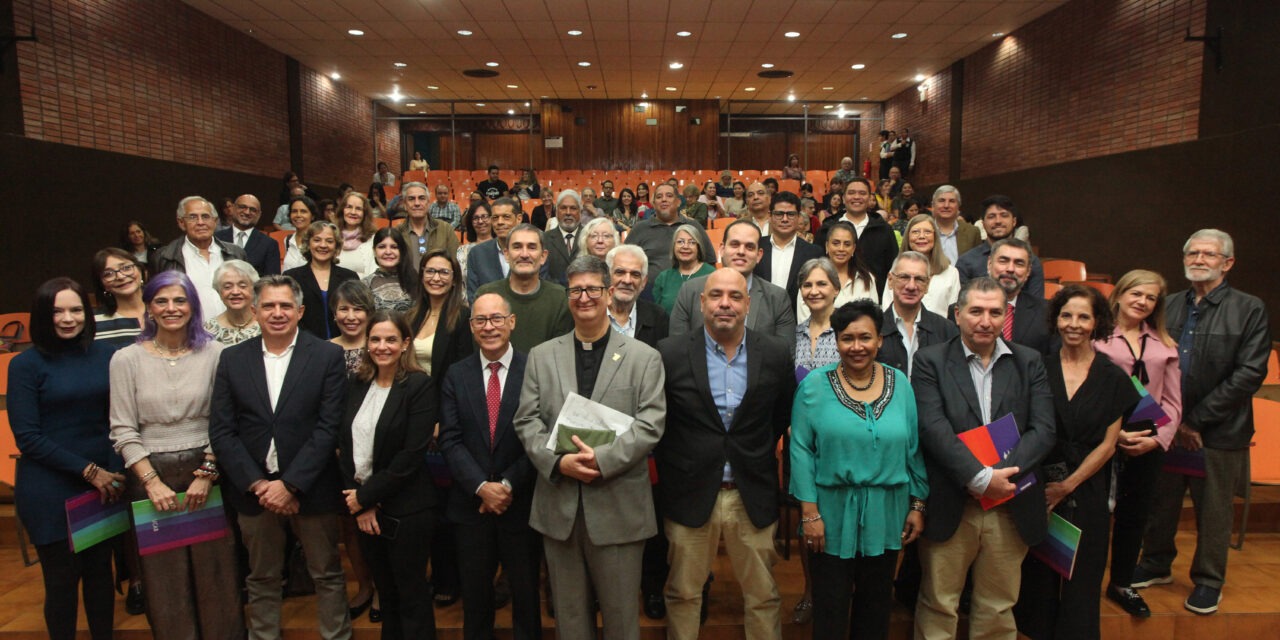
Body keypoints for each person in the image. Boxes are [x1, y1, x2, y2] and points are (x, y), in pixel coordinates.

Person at [513, 256, 666, 640]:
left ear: (610, 292)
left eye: (593, 289)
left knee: (620, 621)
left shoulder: (644, 358)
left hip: (617, 507)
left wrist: (601, 459)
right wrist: (556, 463)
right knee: (569, 621)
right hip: (558, 507)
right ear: (568, 295)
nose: (584, 297)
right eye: (576, 290)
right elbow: (526, 421)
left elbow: (650, 425)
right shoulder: (542, 356)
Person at [1133, 229, 1271, 615]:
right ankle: (1156, 563)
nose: (1198, 259)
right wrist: (1166, 421)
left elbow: (1249, 373)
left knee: (1214, 509)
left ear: (1227, 263)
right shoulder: (1169, 305)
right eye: (1192, 253)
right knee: (1161, 501)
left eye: (1208, 254)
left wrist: (1195, 421)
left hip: (1219, 431)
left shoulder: (1249, 308)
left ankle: (1209, 580)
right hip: (1167, 426)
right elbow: (1146, 361)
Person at [209, 274, 353, 640]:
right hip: (253, 491)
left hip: (311, 486)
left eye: (285, 305)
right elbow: (223, 431)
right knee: (261, 576)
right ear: (255, 311)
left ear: (300, 311)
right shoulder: (231, 359)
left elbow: (329, 427)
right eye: (269, 306)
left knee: (327, 573)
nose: (277, 313)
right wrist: (260, 485)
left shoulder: (327, 356)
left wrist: (290, 485)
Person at [911, 276, 1055, 640]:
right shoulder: (930, 361)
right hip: (952, 501)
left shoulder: (1029, 362)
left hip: (1010, 503)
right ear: (958, 314)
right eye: (976, 311)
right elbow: (933, 428)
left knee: (997, 606)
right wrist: (978, 478)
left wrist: (998, 480)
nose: (985, 321)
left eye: (994, 312)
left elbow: (1043, 430)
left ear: (1005, 315)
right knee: (940, 602)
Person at [656, 268, 795, 639]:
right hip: (690, 493)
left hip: (750, 492)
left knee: (763, 596)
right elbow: (661, 423)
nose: (725, 304)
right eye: (716, 295)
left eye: (735, 296)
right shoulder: (669, 354)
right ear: (701, 302)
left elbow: (781, 414)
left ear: (748, 304)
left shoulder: (776, 352)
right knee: (683, 594)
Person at [108, 270, 242, 638]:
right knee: (164, 581)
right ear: (149, 308)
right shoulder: (125, 359)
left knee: (217, 574)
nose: (171, 308)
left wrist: (207, 472)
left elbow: (226, 418)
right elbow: (122, 428)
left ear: (193, 307)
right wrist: (151, 482)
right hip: (151, 478)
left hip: (207, 473)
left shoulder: (217, 353)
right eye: (161, 301)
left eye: (180, 300)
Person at [791, 299, 927, 640]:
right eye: (847, 338)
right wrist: (809, 513)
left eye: (865, 337)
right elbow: (801, 450)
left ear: (880, 340)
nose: (857, 347)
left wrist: (917, 504)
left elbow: (912, 448)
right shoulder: (814, 386)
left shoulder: (901, 384)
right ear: (835, 341)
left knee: (876, 606)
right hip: (830, 513)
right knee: (831, 608)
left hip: (887, 510)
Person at [1014, 284, 1137, 640]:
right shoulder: (1038, 366)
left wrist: (1067, 486)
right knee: (1038, 578)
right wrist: (1046, 489)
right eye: (1067, 315)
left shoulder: (1113, 375)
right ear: (1056, 319)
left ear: (1096, 322)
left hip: (1087, 488)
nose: (1074, 324)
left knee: (1082, 579)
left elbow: (1109, 444)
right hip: (1039, 484)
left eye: (1084, 317)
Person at [7, 277, 124, 640]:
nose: (68, 318)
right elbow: (28, 437)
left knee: (100, 575)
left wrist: (112, 472)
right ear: (43, 315)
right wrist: (90, 472)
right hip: (50, 487)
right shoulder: (25, 365)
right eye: (58, 311)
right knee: (61, 581)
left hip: (105, 481)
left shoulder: (107, 355)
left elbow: (118, 419)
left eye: (76, 309)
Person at [438, 292, 543, 640]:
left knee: (526, 599)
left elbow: (540, 438)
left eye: (497, 318)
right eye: (481, 320)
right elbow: (450, 440)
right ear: (471, 327)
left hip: (522, 503)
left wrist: (508, 485)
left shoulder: (535, 370)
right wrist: (483, 487)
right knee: (476, 600)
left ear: (512, 322)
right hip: (471, 507)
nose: (489, 327)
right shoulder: (456, 374)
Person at [337, 310, 438, 639]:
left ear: (405, 343)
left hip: (406, 511)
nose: (382, 346)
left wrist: (367, 497)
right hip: (364, 512)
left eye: (391, 339)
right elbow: (342, 445)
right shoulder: (356, 383)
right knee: (387, 594)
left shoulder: (419, 386)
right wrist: (360, 504)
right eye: (376, 339)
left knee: (411, 596)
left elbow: (410, 456)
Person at [1092, 269, 1182, 618]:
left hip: (1146, 442)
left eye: (1150, 298)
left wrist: (1158, 440)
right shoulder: (1096, 338)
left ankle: (1122, 583)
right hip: (1102, 439)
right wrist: (1113, 436)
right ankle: (1084, 583)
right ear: (1120, 294)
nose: (1142, 302)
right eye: (1136, 294)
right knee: (1096, 515)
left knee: (1134, 515)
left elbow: (1173, 402)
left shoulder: (1165, 345)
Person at [670, 219, 794, 340]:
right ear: (722, 250)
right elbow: (677, 347)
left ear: (759, 255)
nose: (741, 252)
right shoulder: (690, 291)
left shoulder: (777, 298)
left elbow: (785, 353)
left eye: (749, 247)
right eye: (734, 245)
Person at [474, 224, 573, 352]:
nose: (524, 254)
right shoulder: (485, 295)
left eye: (532, 247)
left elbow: (559, 354)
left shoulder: (560, 298)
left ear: (543, 256)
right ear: (506, 254)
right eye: (517, 247)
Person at [152, 196, 248, 321]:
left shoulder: (236, 254)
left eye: (205, 216)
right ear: (181, 223)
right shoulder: (164, 257)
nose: (200, 222)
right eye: (192, 217)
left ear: (215, 221)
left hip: (234, 332)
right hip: (187, 335)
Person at [878, 251, 958, 377]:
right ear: (890, 280)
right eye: (904, 277)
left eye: (919, 279)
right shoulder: (874, 327)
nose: (911, 286)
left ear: (927, 285)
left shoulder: (946, 330)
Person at [815, 178, 898, 299]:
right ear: (843, 198)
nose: (857, 197)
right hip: (829, 298)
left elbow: (893, 269)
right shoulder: (827, 228)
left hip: (873, 299)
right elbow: (816, 264)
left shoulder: (884, 230)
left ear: (870, 198)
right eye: (851, 193)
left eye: (862, 193)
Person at [955, 195, 1045, 299]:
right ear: (983, 224)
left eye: (1004, 215)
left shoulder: (1031, 261)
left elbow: (1035, 305)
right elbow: (963, 304)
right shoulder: (967, 261)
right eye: (991, 216)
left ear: (1014, 221)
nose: (998, 221)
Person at [624, 183, 715, 285]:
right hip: (648, 294)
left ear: (678, 202)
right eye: (659, 197)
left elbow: (710, 262)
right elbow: (624, 262)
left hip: (690, 292)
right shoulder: (639, 229)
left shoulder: (694, 226)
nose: (664, 199)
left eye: (669, 196)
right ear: (653, 203)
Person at [284, 221, 360, 340]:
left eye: (329, 241)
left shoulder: (350, 277)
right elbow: (289, 315)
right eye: (317, 240)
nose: (323, 245)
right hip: (305, 345)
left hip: (345, 343)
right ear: (308, 244)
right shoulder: (292, 277)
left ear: (336, 246)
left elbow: (357, 313)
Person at [466, 198, 550, 302]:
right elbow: (473, 297)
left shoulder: (534, 252)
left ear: (519, 218)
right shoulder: (477, 254)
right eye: (495, 218)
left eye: (506, 217)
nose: (499, 222)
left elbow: (540, 292)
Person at [755, 191, 825, 311]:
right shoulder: (755, 246)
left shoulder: (814, 253)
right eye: (779, 214)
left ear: (798, 217)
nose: (785, 219)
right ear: (770, 216)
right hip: (759, 318)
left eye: (791, 214)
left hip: (797, 321)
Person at [798, 221, 877, 323]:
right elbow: (804, 319)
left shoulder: (866, 279)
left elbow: (873, 318)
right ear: (827, 246)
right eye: (836, 243)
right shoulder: (810, 276)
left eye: (847, 244)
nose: (841, 249)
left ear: (853, 248)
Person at [987, 238, 1052, 354]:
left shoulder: (1046, 312)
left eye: (1019, 263)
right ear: (989, 264)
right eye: (1003, 261)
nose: (1010, 269)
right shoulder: (963, 309)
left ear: (1028, 272)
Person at [896, 214, 961, 317]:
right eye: (915, 232)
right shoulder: (895, 270)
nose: (921, 236)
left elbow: (953, 314)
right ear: (907, 237)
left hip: (941, 331)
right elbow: (888, 307)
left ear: (935, 237)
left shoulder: (951, 273)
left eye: (927, 232)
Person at [395, 181, 461, 273]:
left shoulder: (445, 229)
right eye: (411, 199)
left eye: (422, 198)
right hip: (406, 286)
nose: (417, 203)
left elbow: (455, 264)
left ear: (428, 203)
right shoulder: (396, 233)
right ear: (405, 205)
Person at [651, 224, 716, 315]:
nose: (685, 246)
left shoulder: (712, 274)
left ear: (699, 247)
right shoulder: (663, 278)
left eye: (692, 242)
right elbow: (656, 314)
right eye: (680, 242)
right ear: (673, 247)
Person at [92, 248, 147, 348]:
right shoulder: (95, 322)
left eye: (126, 268)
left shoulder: (166, 309)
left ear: (140, 270)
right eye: (108, 274)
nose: (120, 277)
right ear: (102, 284)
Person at [216, 194, 281, 278]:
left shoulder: (269, 244)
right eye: (242, 207)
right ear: (233, 209)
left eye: (253, 210)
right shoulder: (216, 238)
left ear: (259, 214)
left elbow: (272, 281)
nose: (247, 212)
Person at [204, 259, 262, 345]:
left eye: (242, 286)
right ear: (218, 291)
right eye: (227, 287)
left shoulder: (266, 324)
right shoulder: (208, 330)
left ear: (253, 290)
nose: (235, 292)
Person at [363, 228, 417, 312]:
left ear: (401, 251)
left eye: (394, 247)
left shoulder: (415, 280)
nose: (388, 252)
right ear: (374, 251)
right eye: (382, 247)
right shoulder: (365, 285)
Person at [329, 280, 375, 374]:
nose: (351, 317)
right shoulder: (322, 350)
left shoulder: (378, 349)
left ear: (369, 314)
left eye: (358, 309)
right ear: (335, 314)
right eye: (344, 309)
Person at [929, 186, 982, 266]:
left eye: (952, 201)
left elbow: (978, 263)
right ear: (933, 205)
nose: (946, 205)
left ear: (958, 206)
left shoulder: (972, 232)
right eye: (941, 201)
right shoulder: (924, 230)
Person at [332, 191, 378, 279]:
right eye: (349, 207)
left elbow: (373, 273)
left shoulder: (373, 239)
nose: (353, 212)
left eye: (358, 209)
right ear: (342, 210)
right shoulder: (331, 236)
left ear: (365, 214)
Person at [544, 189, 584, 284]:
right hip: (554, 296)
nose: (568, 212)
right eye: (563, 208)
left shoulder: (590, 237)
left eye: (573, 208)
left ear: (580, 211)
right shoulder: (544, 239)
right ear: (556, 211)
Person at [282, 195, 318, 271]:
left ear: (312, 216)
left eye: (303, 211)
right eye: (294, 211)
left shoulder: (318, 241)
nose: (298, 215)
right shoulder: (288, 240)